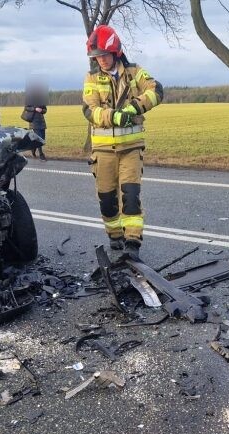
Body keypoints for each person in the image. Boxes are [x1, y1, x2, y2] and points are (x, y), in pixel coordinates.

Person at [82, 25, 163, 261]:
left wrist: (134, 107)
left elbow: (156, 90)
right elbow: (89, 109)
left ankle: (133, 241)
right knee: (107, 200)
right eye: (97, 56)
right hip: (103, 151)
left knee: (130, 196)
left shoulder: (134, 72)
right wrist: (113, 117)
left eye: (104, 55)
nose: (101, 60)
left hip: (131, 149)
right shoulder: (92, 78)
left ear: (115, 51)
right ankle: (115, 235)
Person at [24, 85, 48, 161]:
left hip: (42, 121)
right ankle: (41, 155)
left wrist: (42, 110)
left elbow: (45, 110)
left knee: (42, 138)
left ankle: (33, 148)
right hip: (34, 121)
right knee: (39, 138)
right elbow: (26, 107)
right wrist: (35, 109)